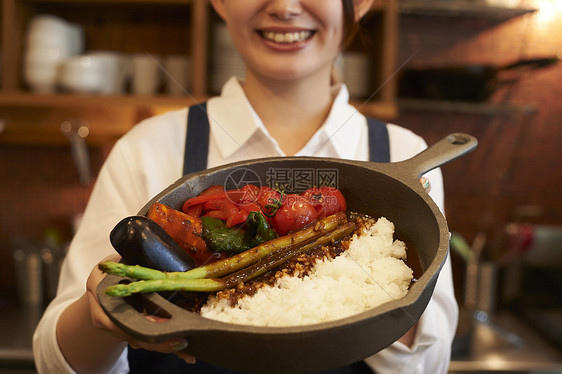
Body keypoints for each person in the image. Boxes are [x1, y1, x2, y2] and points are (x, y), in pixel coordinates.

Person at [33, 0, 458, 373]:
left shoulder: (403, 153)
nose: (285, 6)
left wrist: (374, 288)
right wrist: (101, 319)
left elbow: (430, 363)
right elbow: (55, 361)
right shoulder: (146, 147)